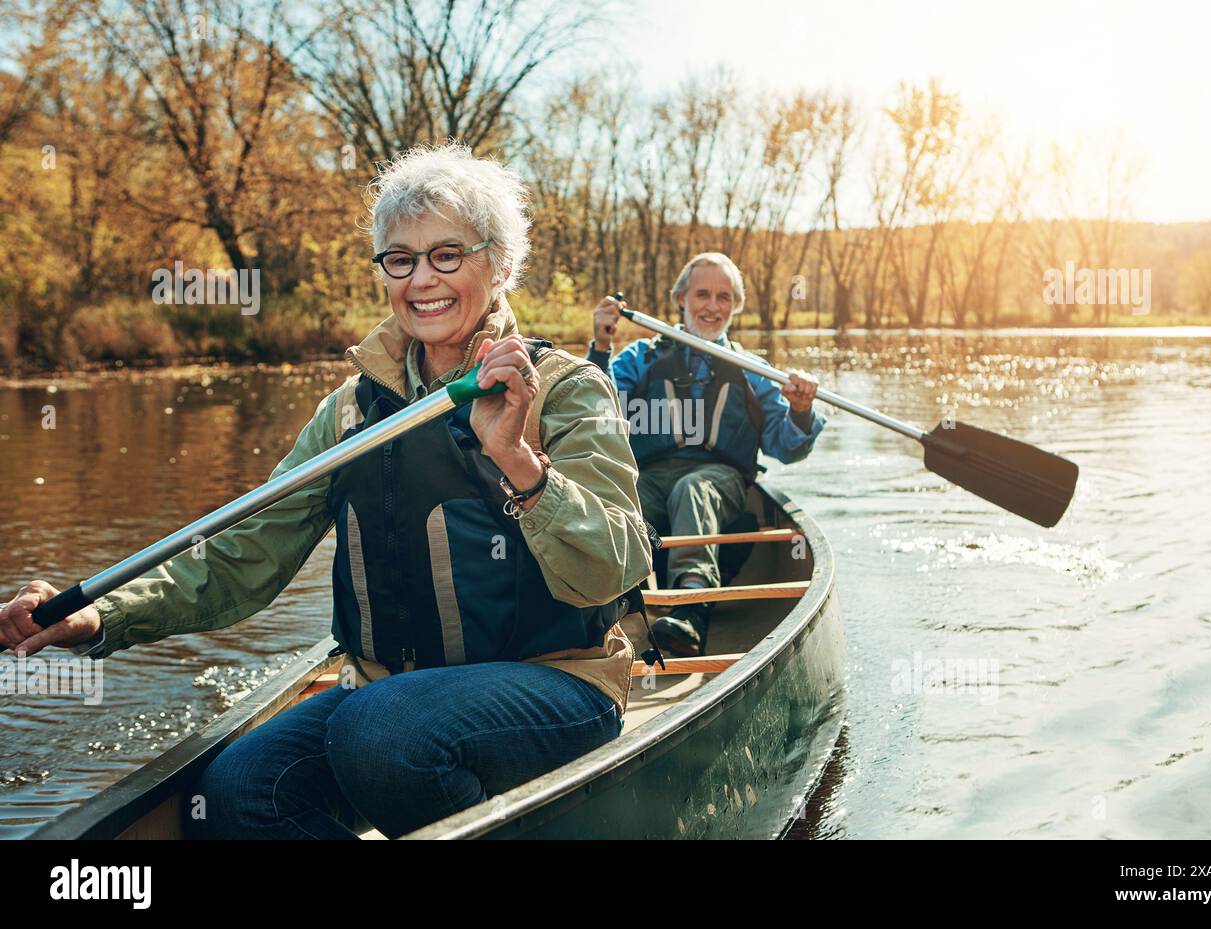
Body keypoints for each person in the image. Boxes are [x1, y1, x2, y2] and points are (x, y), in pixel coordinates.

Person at [0, 142, 653, 839]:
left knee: (382, 735)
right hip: (387, 696)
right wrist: (100, 616)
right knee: (241, 790)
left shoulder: (568, 389)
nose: (421, 279)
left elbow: (618, 563)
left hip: (556, 683)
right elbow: (239, 556)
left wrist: (518, 460)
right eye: (400, 258)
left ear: (501, 266)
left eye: (447, 254)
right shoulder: (349, 413)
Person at [587, 252, 825, 657]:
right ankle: (612, 609)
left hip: (721, 482)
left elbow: (786, 447)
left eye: (724, 297)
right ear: (681, 298)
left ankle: (691, 608)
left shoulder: (752, 369)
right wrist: (602, 347)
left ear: (735, 306)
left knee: (692, 489)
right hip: (651, 476)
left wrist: (801, 410)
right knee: (620, 496)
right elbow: (594, 414)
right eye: (702, 294)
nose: (713, 306)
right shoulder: (640, 358)